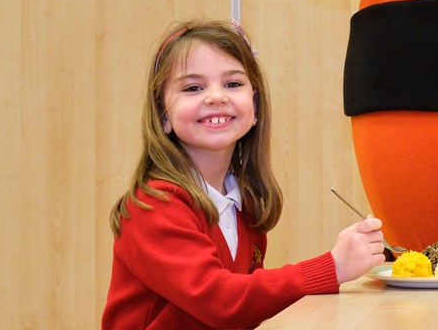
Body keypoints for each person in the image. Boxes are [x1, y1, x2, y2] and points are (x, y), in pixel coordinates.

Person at [102, 19, 386, 329]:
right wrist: (331, 267)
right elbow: (221, 301)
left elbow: (247, 307)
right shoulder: (154, 206)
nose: (216, 97)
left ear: (255, 108)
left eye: (232, 84)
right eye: (193, 87)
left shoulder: (245, 203)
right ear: (162, 115)